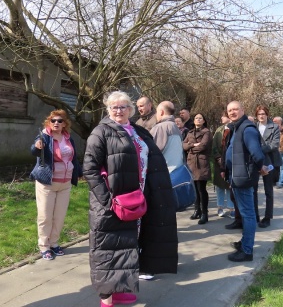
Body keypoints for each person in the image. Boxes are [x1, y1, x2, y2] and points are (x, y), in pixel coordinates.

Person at [82, 91, 178, 307]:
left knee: (127, 245)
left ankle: (121, 288)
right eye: (114, 107)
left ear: (131, 110)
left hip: (137, 199)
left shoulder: (138, 131)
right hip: (111, 202)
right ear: (108, 109)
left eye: (123, 106)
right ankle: (106, 298)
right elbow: (90, 169)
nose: (119, 110)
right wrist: (107, 201)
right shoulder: (101, 132)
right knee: (106, 248)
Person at [30, 110, 82, 261]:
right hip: (47, 183)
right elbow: (33, 151)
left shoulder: (68, 138)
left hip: (65, 184)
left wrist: (78, 172)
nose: (56, 123)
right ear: (49, 122)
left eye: (59, 121)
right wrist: (37, 146)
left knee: (59, 216)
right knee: (45, 216)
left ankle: (54, 243)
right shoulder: (45, 136)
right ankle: (44, 246)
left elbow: (74, 158)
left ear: (65, 124)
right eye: (53, 121)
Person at [225, 101, 268, 262]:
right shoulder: (237, 127)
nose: (232, 112)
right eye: (229, 110)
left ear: (242, 110)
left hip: (243, 178)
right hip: (237, 177)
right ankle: (244, 242)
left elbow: (256, 153)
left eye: (235, 109)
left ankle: (247, 251)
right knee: (245, 213)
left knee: (248, 215)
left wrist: (261, 167)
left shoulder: (247, 129)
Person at [255, 105, 282, 228]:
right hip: (255, 161)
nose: (261, 116)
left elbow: (274, 144)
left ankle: (267, 217)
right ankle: (254, 215)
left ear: (267, 114)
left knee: (268, 191)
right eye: (259, 114)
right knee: (253, 190)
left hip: (270, 161)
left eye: (263, 113)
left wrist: (257, 150)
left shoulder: (274, 127)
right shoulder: (253, 127)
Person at [183, 113, 212, 225]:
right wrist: (192, 145)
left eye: (200, 118)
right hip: (191, 163)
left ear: (204, 121)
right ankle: (197, 210)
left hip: (201, 163)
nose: (198, 119)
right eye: (196, 118)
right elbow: (183, 145)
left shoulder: (207, 132)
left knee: (201, 189)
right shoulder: (190, 132)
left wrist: (191, 147)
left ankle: (204, 213)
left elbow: (203, 146)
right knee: (194, 189)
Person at [150, 101, 183, 173]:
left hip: (164, 172)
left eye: (157, 112)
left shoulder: (159, 127)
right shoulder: (175, 127)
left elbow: (152, 151)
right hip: (178, 170)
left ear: (161, 112)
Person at [212, 112, 234, 217]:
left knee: (229, 186)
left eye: (223, 116)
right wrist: (219, 158)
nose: (221, 117)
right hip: (219, 162)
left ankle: (231, 208)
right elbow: (214, 145)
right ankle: (220, 207)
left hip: (230, 162)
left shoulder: (234, 128)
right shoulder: (219, 130)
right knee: (220, 186)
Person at [272, 117, 283, 189]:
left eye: (275, 121)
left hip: (281, 150)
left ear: (280, 122)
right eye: (273, 121)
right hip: (273, 150)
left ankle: (281, 182)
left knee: (282, 168)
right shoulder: (271, 128)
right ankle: (274, 181)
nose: (273, 122)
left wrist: (281, 130)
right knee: (273, 167)